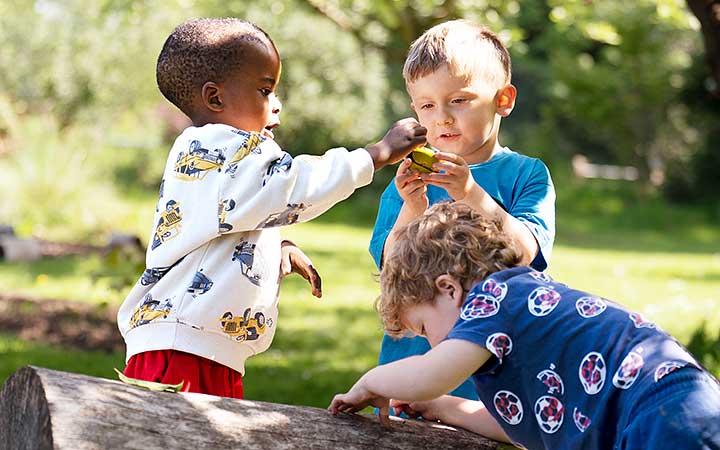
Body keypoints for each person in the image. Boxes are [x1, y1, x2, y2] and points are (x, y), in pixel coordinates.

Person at [117, 17, 427, 399]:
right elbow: (291, 185)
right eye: (265, 91)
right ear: (215, 98)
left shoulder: (213, 153)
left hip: (200, 346)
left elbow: (225, 223)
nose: (277, 106)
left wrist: (275, 247)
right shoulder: (220, 147)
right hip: (183, 351)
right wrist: (376, 154)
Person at [330, 202, 720, 449]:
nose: (432, 347)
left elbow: (431, 374)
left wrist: (371, 382)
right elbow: (526, 425)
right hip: (681, 404)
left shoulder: (492, 300)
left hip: (656, 415)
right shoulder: (520, 304)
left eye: (424, 329)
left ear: (448, 289)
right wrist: (442, 408)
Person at [369, 19, 555, 400]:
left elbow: (524, 253)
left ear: (502, 100)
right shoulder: (410, 182)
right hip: (413, 366)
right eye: (427, 105)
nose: (442, 117)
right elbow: (391, 268)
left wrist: (471, 193)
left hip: (493, 376)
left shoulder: (526, 174)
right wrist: (413, 206)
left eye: (458, 100)